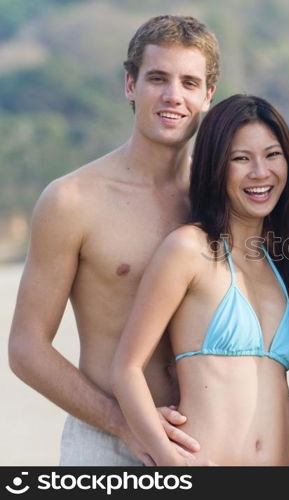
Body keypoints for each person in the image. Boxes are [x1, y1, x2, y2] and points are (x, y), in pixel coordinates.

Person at [8, 15, 220, 465]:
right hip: (105, 440)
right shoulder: (73, 200)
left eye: (188, 82)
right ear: (130, 85)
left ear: (208, 96)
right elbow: (26, 348)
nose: (172, 96)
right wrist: (123, 423)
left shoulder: (219, 201)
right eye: (157, 78)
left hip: (201, 439)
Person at [111, 94, 289, 466]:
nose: (260, 172)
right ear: (215, 167)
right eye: (240, 158)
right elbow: (126, 368)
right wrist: (167, 457)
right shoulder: (189, 249)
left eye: (272, 155)